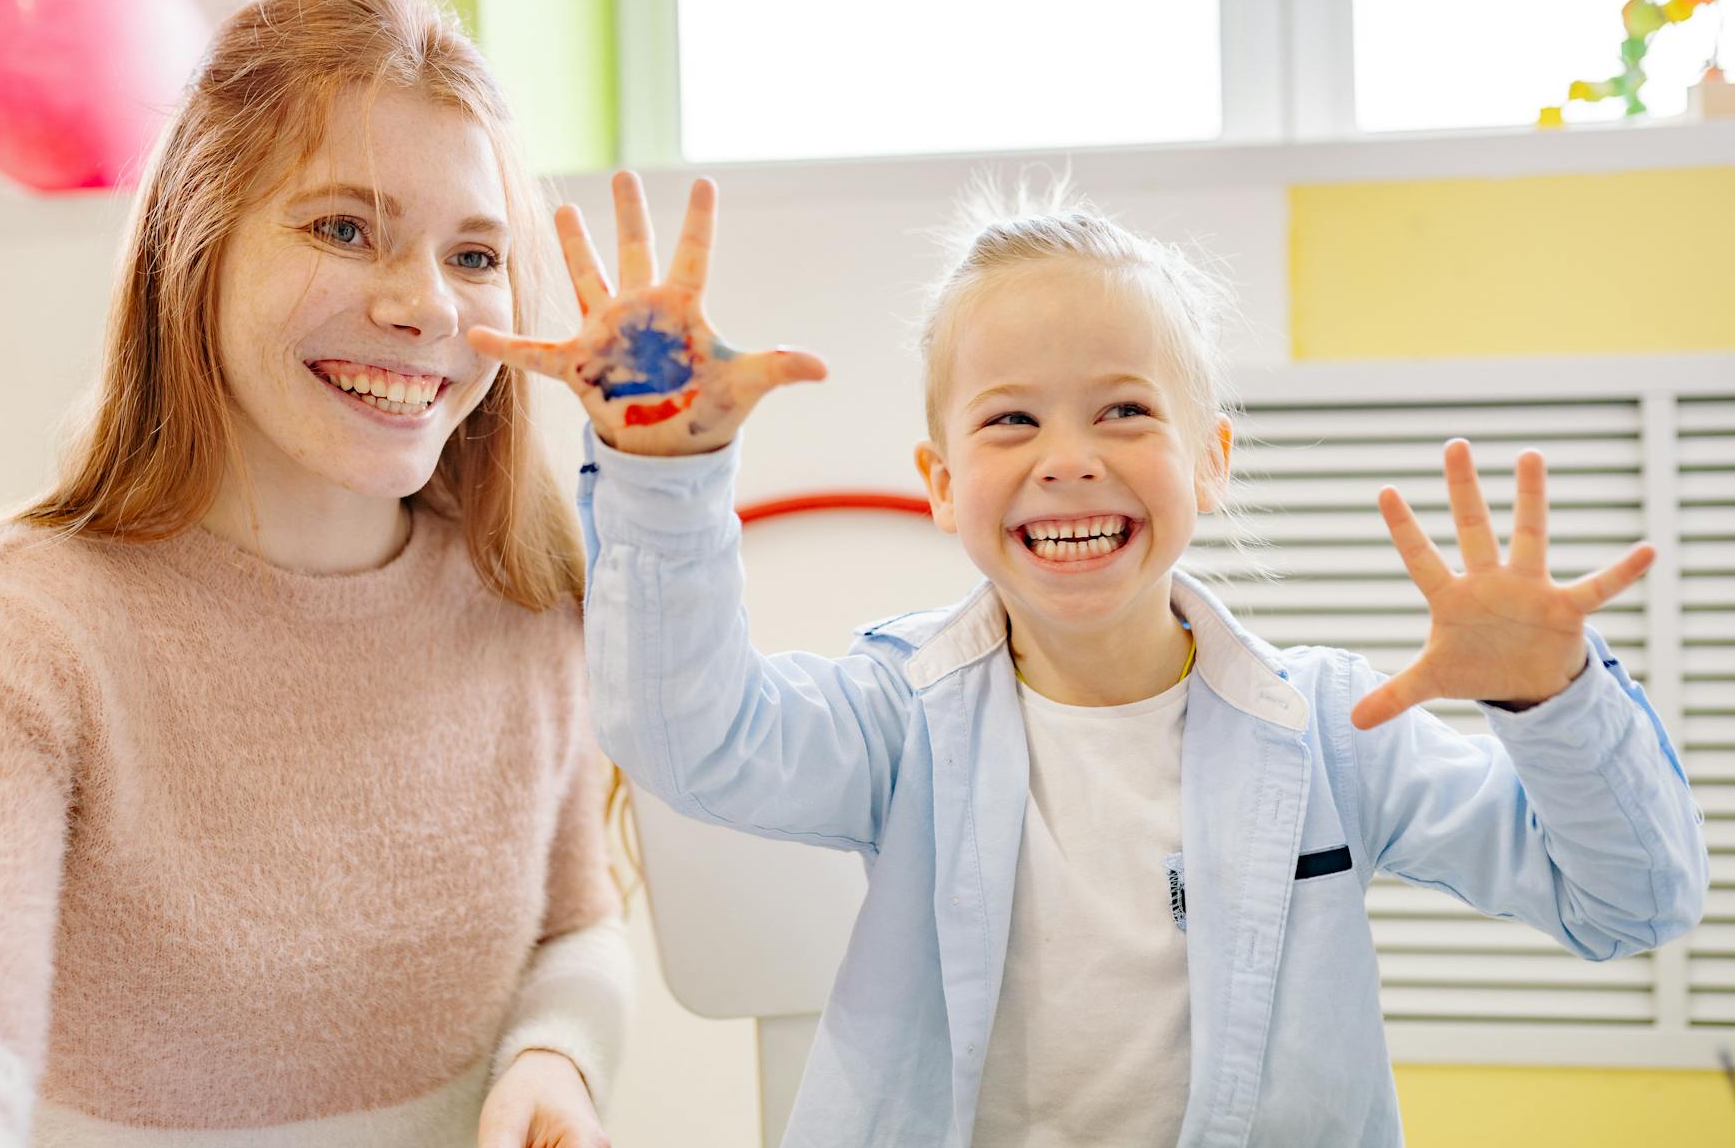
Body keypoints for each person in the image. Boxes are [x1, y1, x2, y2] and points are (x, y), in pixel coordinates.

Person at [470, 173, 1707, 1147]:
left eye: (1124, 409)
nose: (1068, 455)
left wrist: (1552, 699)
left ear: (1211, 460)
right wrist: (665, 478)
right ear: (944, 485)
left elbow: (1631, 899)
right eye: (1013, 417)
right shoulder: (896, 715)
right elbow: (690, 740)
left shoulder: (1335, 723)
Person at [0, 0, 628, 1148]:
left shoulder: (523, 602)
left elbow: (576, 929)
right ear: (192, 249)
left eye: (476, 252)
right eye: (344, 227)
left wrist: (558, 1058)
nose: (425, 304)